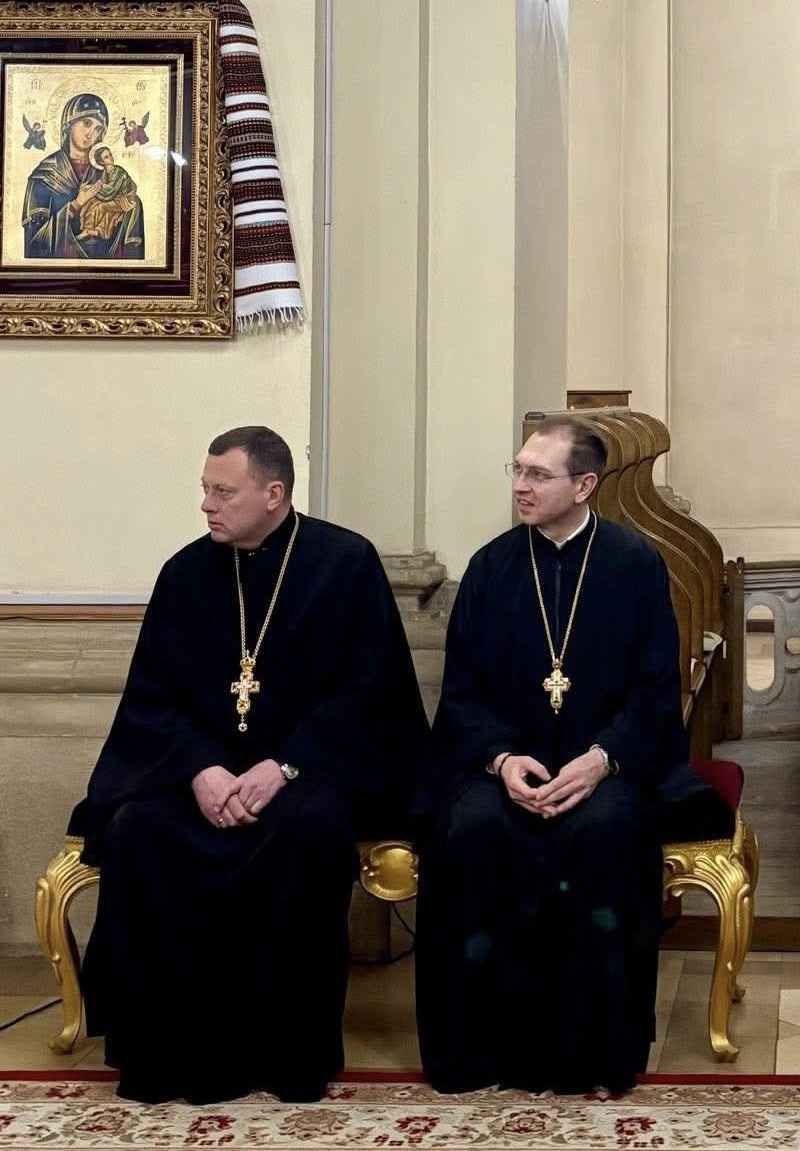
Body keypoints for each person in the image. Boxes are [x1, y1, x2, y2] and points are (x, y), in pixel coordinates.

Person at [70, 426, 428, 1104]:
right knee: (141, 831)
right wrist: (200, 768)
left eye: (223, 492)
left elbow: (368, 692)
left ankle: (284, 1053)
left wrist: (285, 765)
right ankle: (164, 1052)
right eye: (205, 489)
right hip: (199, 773)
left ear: (274, 493)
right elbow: (153, 696)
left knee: (305, 833)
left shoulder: (344, 564)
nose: (207, 504)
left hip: (309, 772)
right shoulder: (184, 573)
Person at [414, 415, 730, 1098]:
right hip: (507, 766)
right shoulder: (491, 568)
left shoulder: (635, 563)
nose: (520, 486)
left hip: (605, 766)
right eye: (518, 470)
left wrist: (600, 759)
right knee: (472, 829)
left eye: (538, 474)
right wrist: (502, 760)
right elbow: (463, 690)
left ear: (584, 485)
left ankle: (592, 1054)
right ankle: (480, 1051)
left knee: (604, 830)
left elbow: (655, 688)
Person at [22, 93, 145, 259]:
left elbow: (126, 200)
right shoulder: (44, 176)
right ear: (68, 124)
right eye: (87, 123)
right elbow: (34, 244)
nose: (91, 134)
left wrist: (128, 203)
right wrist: (76, 205)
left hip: (107, 264)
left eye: (98, 129)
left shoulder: (106, 173)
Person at [76, 146, 138, 242]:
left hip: (126, 198)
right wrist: (90, 189)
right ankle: (89, 230)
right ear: (101, 162)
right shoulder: (105, 173)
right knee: (92, 203)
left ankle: (92, 231)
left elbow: (110, 190)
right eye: (106, 157)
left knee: (101, 207)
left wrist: (91, 188)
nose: (110, 157)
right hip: (114, 197)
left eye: (110, 154)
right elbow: (105, 190)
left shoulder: (118, 171)